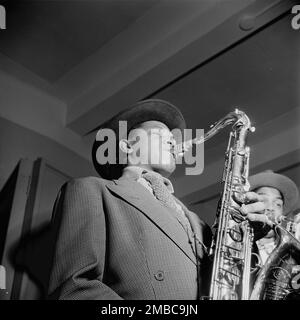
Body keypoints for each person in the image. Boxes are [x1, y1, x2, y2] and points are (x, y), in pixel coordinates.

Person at [46, 99, 272, 300]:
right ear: (127, 145)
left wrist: (245, 237)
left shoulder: (196, 222)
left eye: (172, 138)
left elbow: (225, 279)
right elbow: (73, 289)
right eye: (160, 135)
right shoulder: (90, 190)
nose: (174, 142)